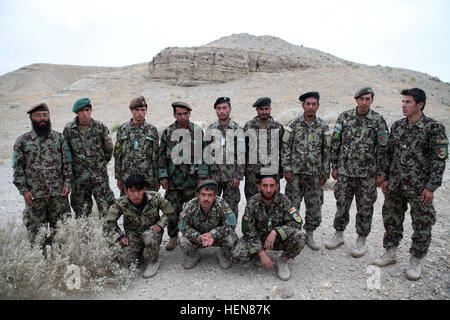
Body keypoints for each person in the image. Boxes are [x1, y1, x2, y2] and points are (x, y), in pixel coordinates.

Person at [373, 88, 448, 281]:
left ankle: (415, 259)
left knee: (422, 222)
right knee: (391, 218)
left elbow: (439, 160)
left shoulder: (433, 128)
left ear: (420, 105)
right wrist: (387, 178)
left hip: (419, 187)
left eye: (408, 102)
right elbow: (389, 154)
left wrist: (431, 187)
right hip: (396, 184)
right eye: (403, 101)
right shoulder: (397, 126)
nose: (403, 105)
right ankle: (390, 252)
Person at [325, 87, 389, 258]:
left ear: (372, 100)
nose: (364, 102)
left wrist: (380, 173)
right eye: (361, 99)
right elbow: (335, 143)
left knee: (365, 208)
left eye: (368, 99)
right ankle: (339, 234)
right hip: (345, 172)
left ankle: (361, 239)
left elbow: (383, 149)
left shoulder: (378, 120)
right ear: (356, 100)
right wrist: (335, 166)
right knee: (342, 205)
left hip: (367, 174)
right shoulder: (345, 117)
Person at [12, 103, 72, 244]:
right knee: (37, 237)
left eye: (45, 115)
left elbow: (67, 164)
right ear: (31, 118)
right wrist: (24, 191)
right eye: (38, 115)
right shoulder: (22, 141)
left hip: (58, 195)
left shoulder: (59, 138)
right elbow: (17, 169)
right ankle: (41, 264)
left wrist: (68, 183)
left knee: (62, 234)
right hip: (35, 197)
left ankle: (60, 264)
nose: (42, 118)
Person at [231, 169, 305, 281]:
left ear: (277, 187)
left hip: (278, 239)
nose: (269, 189)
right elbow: (248, 229)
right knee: (236, 256)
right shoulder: (253, 202)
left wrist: (277, 232)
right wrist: (261, 252)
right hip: (259, 238)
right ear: (259, 187)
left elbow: (297, 223)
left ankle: (283, 261)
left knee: (300, 237)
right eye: (265, 186)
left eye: (272, 185)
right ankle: (257, 254)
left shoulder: (284, 200)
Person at [282, 92, 331, 250]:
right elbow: (285, 148)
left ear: (318, 106)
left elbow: (327, 151)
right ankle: (293, 234)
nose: (310, 107)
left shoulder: (323, 126)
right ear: (303, 105)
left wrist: (325, 173)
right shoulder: (293, 124)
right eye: (308, 104)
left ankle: (309, 233)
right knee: (292, 206)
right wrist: (287, 169)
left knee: (314, 206)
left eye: (314, 104)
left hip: (315, 175)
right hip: (295, 175)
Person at [158, 102, 208, 251]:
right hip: (174, 181)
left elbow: (204, 155)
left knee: (194, 211)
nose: (182, 117)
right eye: (179, 114)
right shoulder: (168, 132)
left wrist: (202, 175)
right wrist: (163, 176)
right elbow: (161, 156)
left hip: (192, 180)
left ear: (189, 114)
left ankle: (193, 238)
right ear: (174, 115)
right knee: (171, 212)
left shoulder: (197, 131)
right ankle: (173, 236)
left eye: (185, 114)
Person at [105, 174, 174, 278]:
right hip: (133, 235)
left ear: (144, 189)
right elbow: (110, 221)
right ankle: (139, 253)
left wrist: (160, 225)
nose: (136, 195)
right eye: (132, 191)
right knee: (124, 260)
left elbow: (169, 212)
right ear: (126, 191)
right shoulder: (120, 203)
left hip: (151, 232)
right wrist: (120, 236)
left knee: (149, 238)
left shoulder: (155, 197)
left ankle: (153, 261)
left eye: (139, 191)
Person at [63, 97, 115, 217]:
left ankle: (108, 234)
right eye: (81, 111)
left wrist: (100, 164)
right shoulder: (69, 130)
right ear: (77, 113)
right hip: (79, 178)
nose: (85, 113)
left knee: (106, 208)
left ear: (91, 110)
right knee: (81, 211)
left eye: (87, 110)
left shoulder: (100, 127)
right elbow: (66, 153)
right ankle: (85, 235)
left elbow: (108, 149)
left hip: (99, 177)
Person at [178, 180, 239, 269]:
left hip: (216, 237)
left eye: (210, 195)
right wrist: (199, 237)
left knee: (232, 239)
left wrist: (212, 234)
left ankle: (222, 253)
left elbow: (231, 225)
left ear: (214, 196)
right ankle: (193, 255)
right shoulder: (190, 206)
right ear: (198, 195)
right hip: (198, 238)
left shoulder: (221, 204)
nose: (206, 198)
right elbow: (183, 228)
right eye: (203, 194)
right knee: (183, 241)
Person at [205, 97, 244, 218]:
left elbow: (242, 155)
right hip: (214, 176)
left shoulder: (237, 129)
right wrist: (205, 174)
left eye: (224, 108)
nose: (222, 111)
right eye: (219, 108)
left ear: (230, 109)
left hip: (231, 177)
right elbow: (205, 153)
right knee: (211, 205)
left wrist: (238, 175)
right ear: (215, 110)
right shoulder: (210, 129)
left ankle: (230, 233)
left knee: (230, 207)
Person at [114, 96, 160, 196]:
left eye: (143, 110)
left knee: (149, 206)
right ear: (131, 110)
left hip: (147, 177)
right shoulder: (123, 129)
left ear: (146, 110)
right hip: (127, 175)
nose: (140, 113)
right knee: (127, 206)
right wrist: (118, 177)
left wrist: (157, 178)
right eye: (137, 110)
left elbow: (155, 156)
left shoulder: (152, 130)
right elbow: (118, 154)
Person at [243, 97, 284, 201]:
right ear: (257, 110)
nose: (264, 112)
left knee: (273, 201)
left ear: (270, 109)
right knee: (252, 202)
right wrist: (243, 170)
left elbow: (283, 150)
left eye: (266, 109)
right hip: (253, 173)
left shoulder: (277, 127)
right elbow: (243, 150)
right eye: (261, 109)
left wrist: (282, 169)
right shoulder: (248, 127)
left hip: (272, 171)